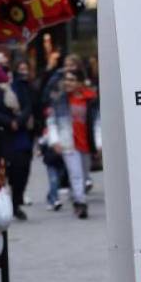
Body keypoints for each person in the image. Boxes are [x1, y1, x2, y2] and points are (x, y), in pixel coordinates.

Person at [0, 55, 32, 220]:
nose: (4, 67)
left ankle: (16, 201)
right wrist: (9, 122)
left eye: (6, 64)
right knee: (0, 173)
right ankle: (0, 206)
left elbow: (27, 105)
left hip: (19, 136)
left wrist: (19, 121)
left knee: (22, 169)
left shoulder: (17, 85)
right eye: (0, 65)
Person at [49, 69, 98, 219]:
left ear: (80, 83)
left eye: (72, 80)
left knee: (84, 175)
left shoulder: (91, 99)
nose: (68, 83)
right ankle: (81, 204)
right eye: (66, 80)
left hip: (87, 142)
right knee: (75, 174)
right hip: (68, 142)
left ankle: (77, 199)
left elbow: (98, 122)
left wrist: (99, 143)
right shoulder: (60, 100)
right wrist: (54, 140)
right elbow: (51, 121)